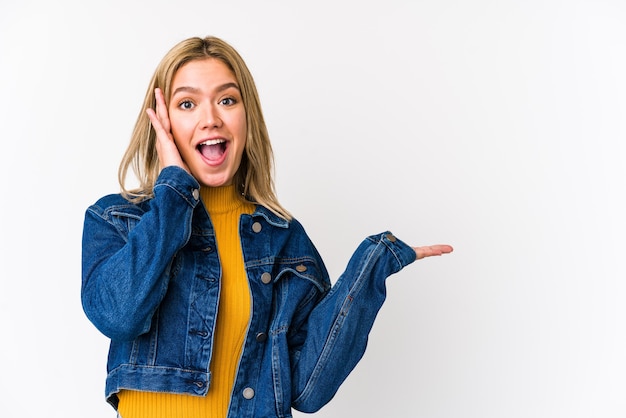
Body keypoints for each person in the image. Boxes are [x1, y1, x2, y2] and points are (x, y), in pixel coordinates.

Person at [81, 35, 453, 418]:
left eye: (227, 100)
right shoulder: (118, 219)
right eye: (187, 104)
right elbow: (118, 315)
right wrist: (174, 188)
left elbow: (309, 390)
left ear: (247, 117)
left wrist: (371, 268)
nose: (211, 118)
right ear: (163, 123)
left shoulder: (282, 238)